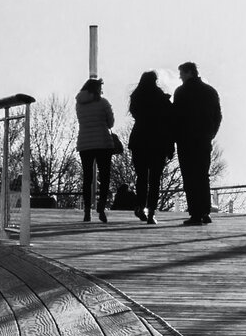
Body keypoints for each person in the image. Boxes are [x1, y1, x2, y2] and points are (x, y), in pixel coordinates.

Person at [172, 61, 222, 224]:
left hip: (186, 140)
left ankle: (195, 213)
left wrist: (176, 136)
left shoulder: (181, 92)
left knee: (189, 176)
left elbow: (176, 117)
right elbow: (218, 115)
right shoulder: (210, 91)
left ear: (188, 73)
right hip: (203, 139)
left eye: (181, 73)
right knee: (202, 175)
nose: (180, 77)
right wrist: (211, 133)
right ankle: (205, 211)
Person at [127, 70, 174, 222]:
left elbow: (135, 114)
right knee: (155, 179)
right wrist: (170, 146)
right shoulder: (162, 98)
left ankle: (140, 206)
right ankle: (152, 212)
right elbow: (169, 123)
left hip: (139, 140)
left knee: (141, 177)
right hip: (158, 142)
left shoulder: (136, 98)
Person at [74, 76, 119, 221]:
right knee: (104, 177)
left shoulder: (79, 104)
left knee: (87, 178)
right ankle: (101, 209)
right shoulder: (103, 103)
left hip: (85, 143)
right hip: (103, 143)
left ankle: (87, 211)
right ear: (97, 89)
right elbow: (110, 123)